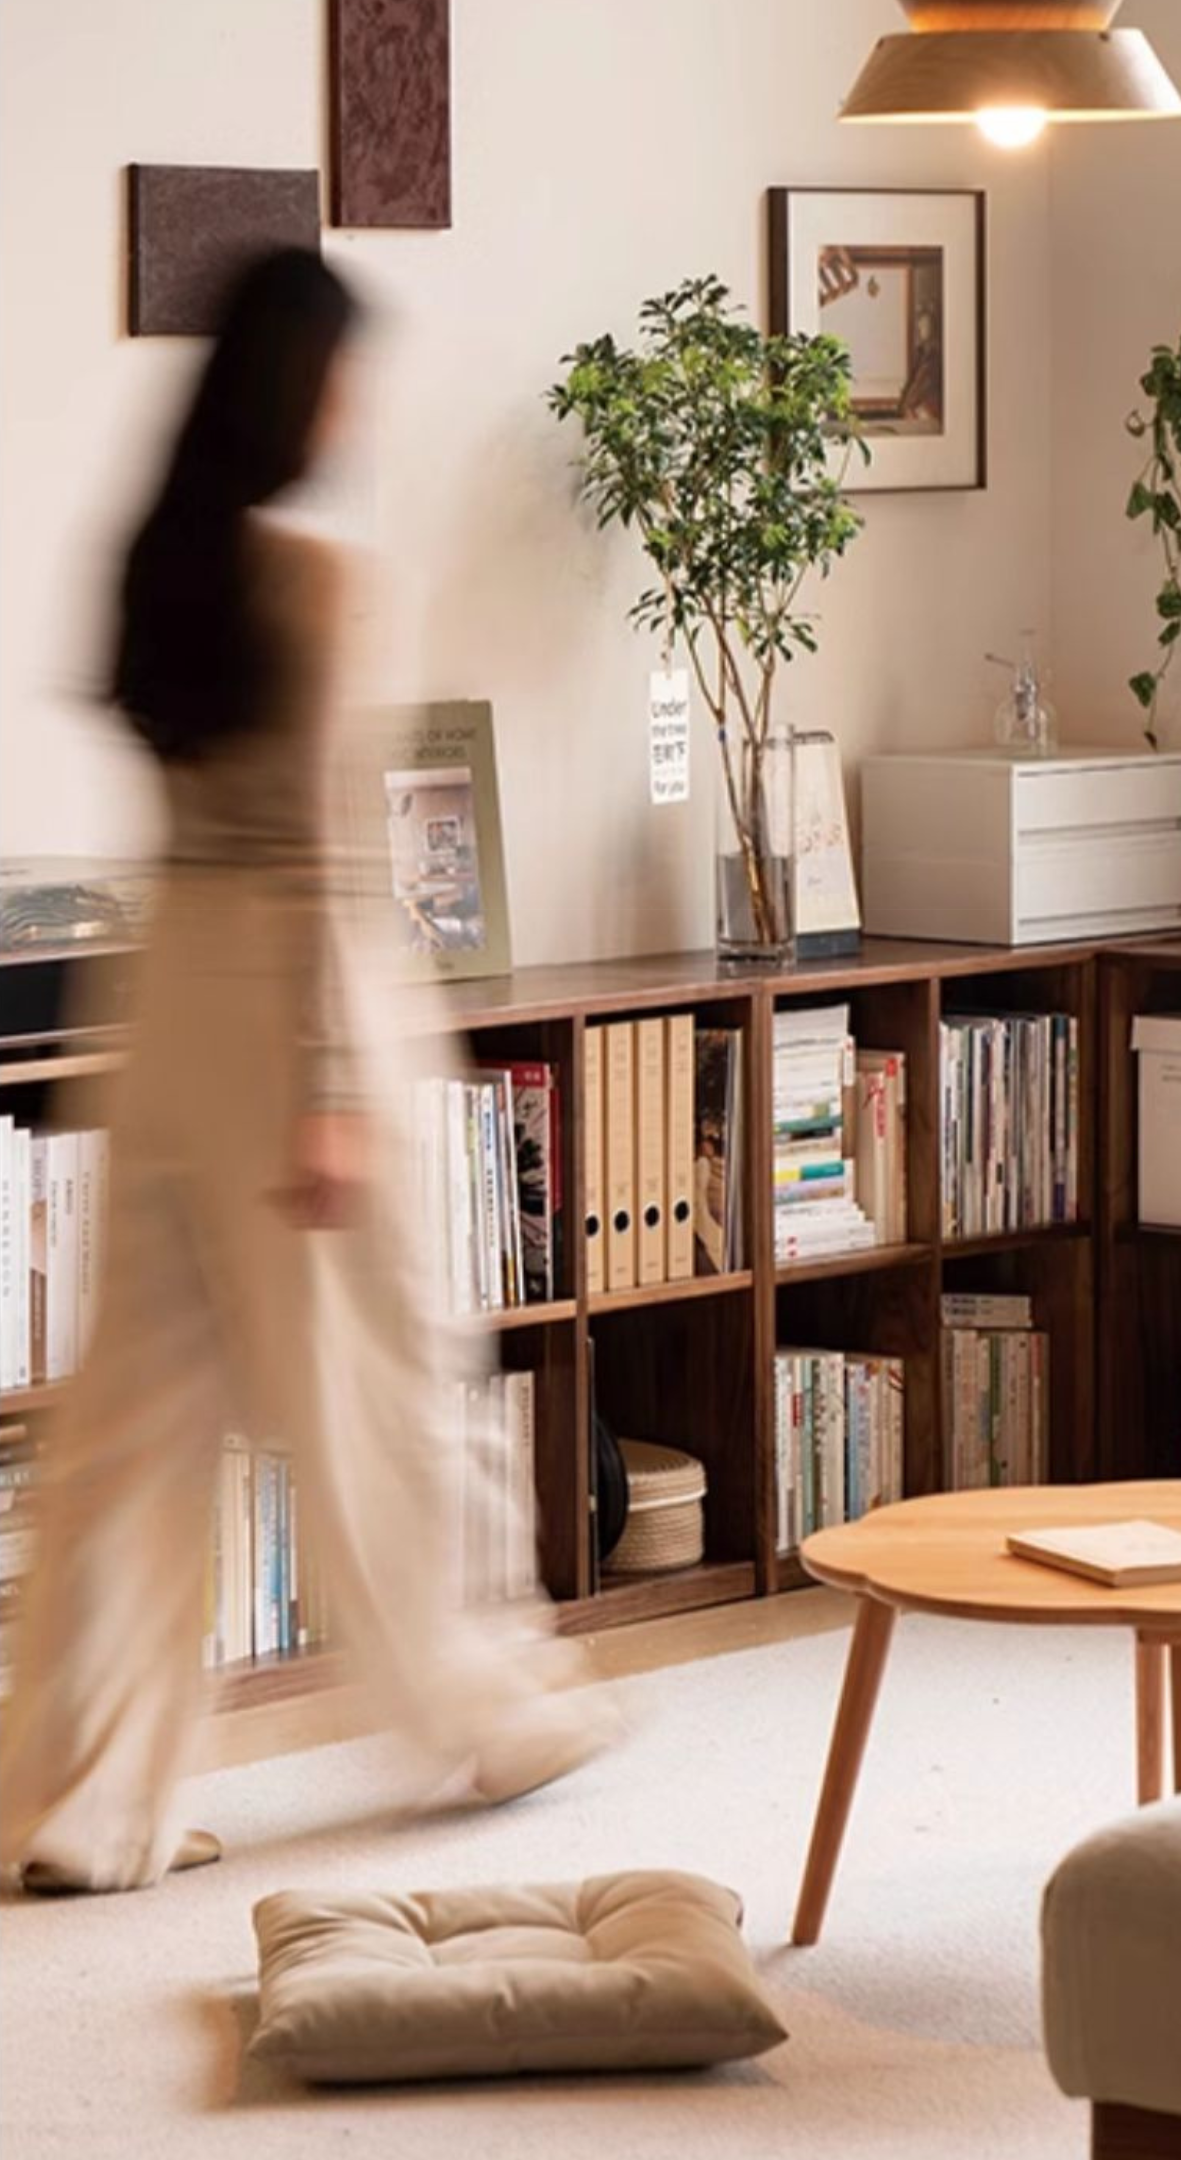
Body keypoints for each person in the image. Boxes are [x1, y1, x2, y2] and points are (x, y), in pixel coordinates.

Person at [0, 249, 612, 1895]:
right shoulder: (319, 583)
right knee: (390, 1385)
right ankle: (487, 1707)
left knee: (129, 1429)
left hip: (165, 998)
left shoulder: (151, 567)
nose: (357, 408)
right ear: (299, 386)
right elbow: (333, 854)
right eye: (345, 376)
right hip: (292, 999)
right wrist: (334, 1090)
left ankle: (75, 1801)